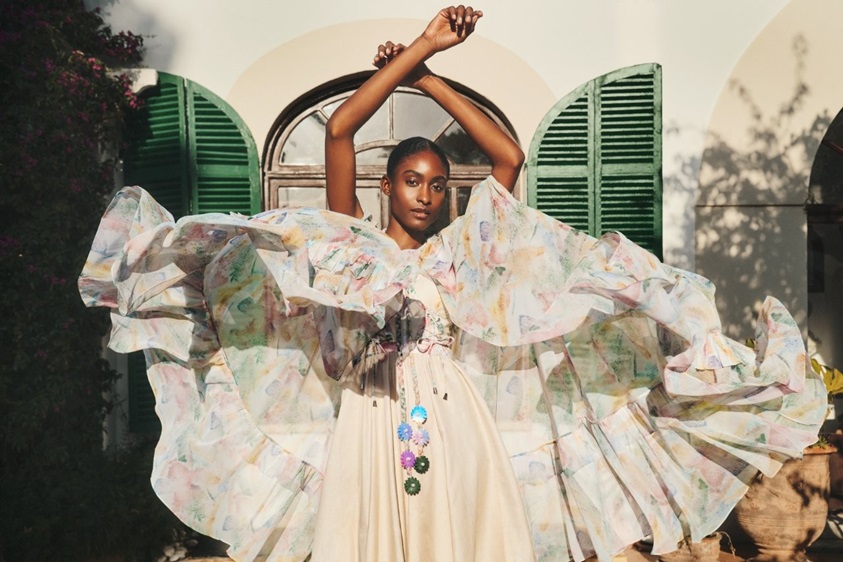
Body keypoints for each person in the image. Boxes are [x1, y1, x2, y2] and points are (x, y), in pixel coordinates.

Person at [79, 6, 826, 562]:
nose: (426, 194)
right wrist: (419, 47)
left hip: (455, 411)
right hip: (370, 413)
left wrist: (430, 79)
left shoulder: (461, 253)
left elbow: (508, 157)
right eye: (412, 180)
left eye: (437, 184)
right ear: (385, 186)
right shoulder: (352, 243)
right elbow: (339, 130)